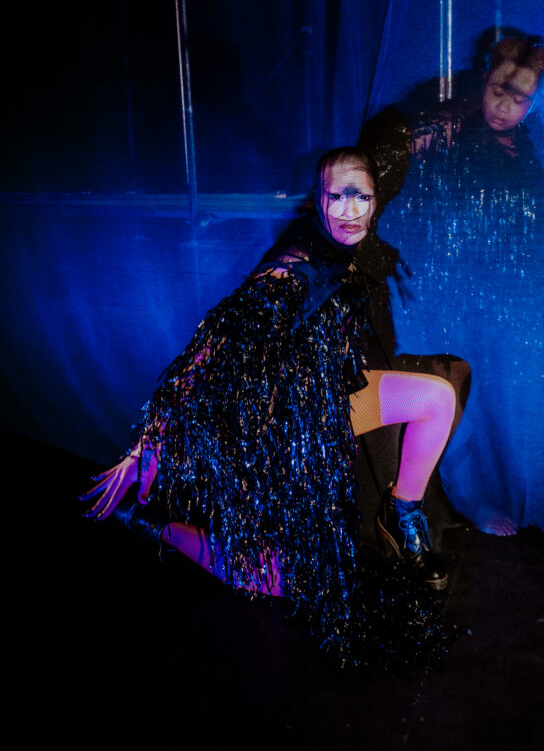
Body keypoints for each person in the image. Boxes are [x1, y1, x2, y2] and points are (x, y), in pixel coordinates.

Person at [81, 147, 457, 666]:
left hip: (326, 395)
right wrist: (148, 442)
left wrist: (438, 125)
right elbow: (210, 348)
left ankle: (403, 510)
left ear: (375, 201)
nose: (349, 210)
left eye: (360, 197)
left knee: (437, 398)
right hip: (273, 428)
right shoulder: (291, 272)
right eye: (336, 197)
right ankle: (150, 523)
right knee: (282, 579)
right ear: (318, 203)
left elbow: (389, 158)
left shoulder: (350, 237)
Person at [372, 34, 544, 537]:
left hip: (498, 290)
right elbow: (386, 160)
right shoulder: (447, 120)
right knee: (452, 389)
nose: (503, 106)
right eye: (499, 91)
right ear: (485, 79)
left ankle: (491, 493)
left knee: (498, 390)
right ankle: (461, 501)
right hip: (441, 287)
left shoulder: (527, 135)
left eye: (519, 98)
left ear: (536, 100)